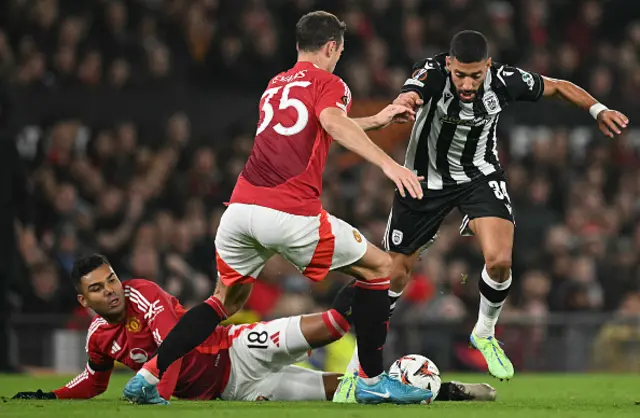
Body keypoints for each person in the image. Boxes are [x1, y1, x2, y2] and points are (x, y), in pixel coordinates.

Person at [123, 10, 431, 406]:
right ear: (333, 47)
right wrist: (389, 163)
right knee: (380, 269)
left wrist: (378, 119)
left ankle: (150, 374)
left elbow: (316, 127)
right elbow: (333, 123)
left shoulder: (276, 84)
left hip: (238, 213)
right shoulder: (330, 81)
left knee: (223, 301)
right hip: (288, 214)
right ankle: (371, 380)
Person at [334, 29, 630, 398]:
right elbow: (412, 90)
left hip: (479, 176)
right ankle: (358, 370)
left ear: (488, 66)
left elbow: (556, 86)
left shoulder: (505, 80)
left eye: (475, 75)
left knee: (500, 260)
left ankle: (484, 332)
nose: (467, 83)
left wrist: (598, 109)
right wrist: (404, 102)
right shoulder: (432, 71)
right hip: (424, 180)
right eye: (460, 74)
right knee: (393, 275)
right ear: (449, 65)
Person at [11, 254, 497, 402]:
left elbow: (174, 349)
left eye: (111, 279)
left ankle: (379, 274)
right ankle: (448, 391)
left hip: (240, 348)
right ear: (84, 301)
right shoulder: (99, 336)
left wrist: (159, 395)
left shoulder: (144, 294)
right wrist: (51, 397)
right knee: (344, 393)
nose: (111, 290)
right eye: (98, 289)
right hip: (238, 393)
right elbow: (93, 380)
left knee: (330, 325)